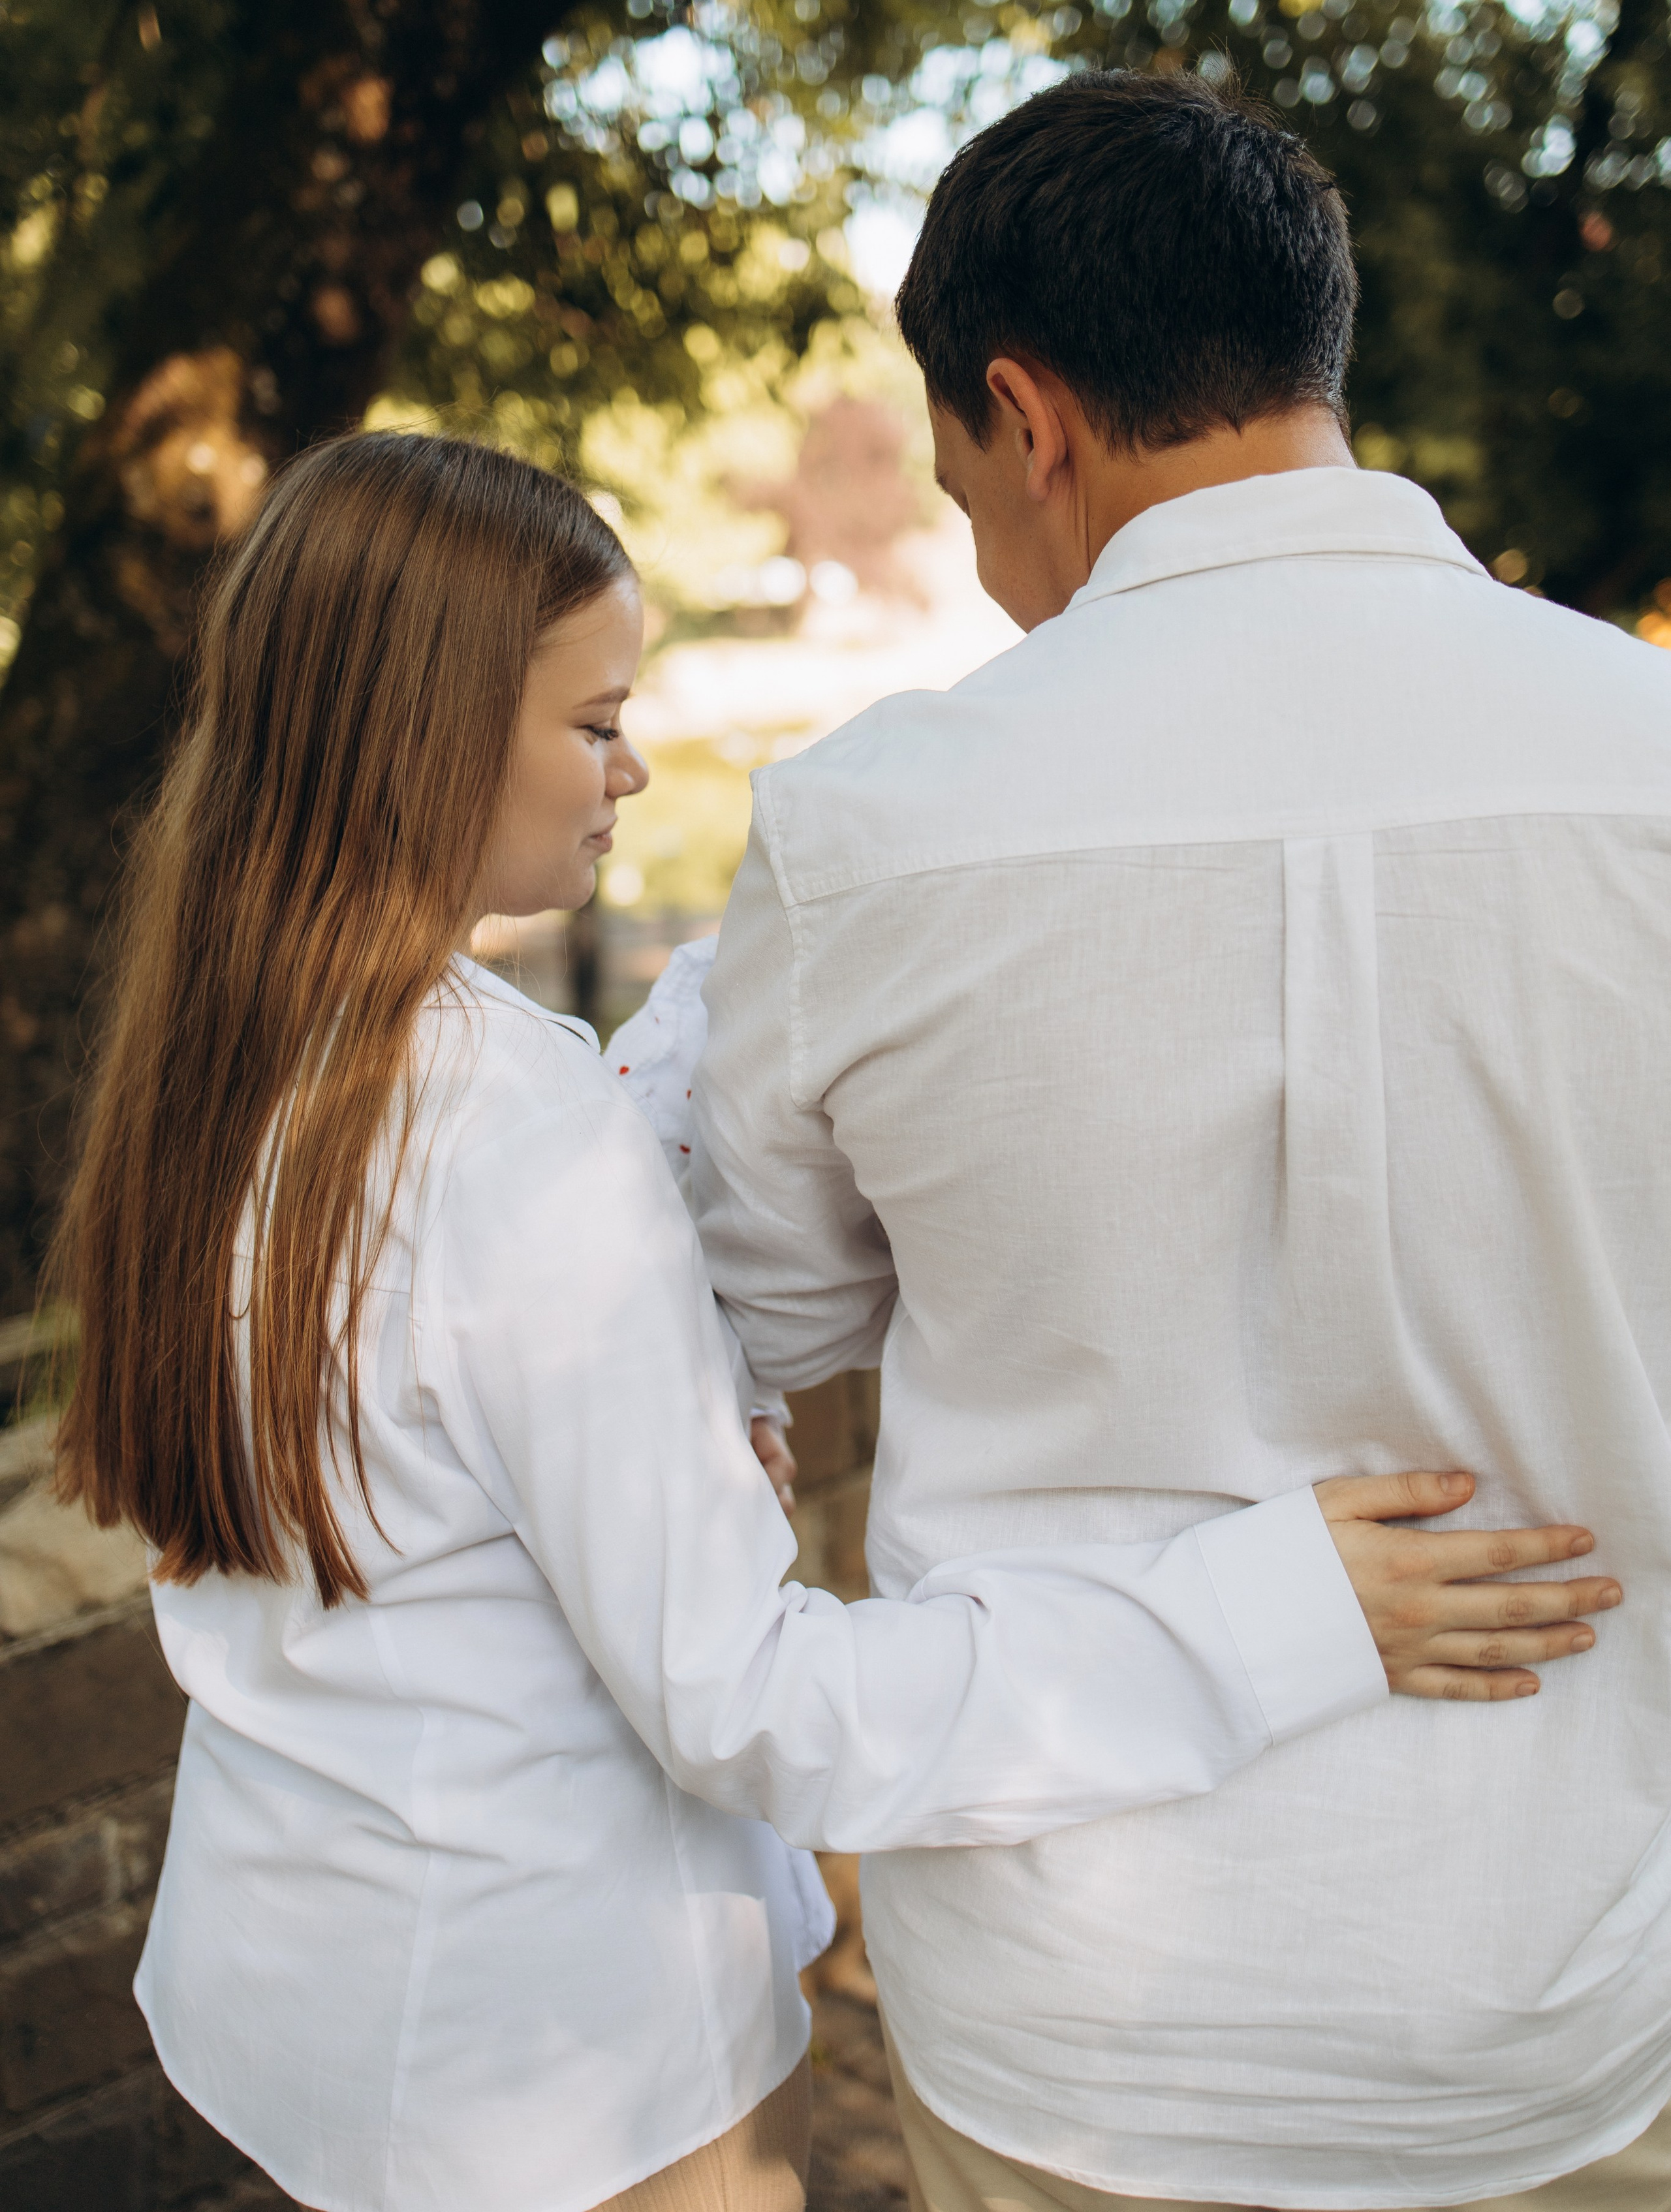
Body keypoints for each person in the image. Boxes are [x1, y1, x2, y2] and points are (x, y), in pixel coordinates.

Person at [45, 433, 1606, 2212]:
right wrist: (1278, 1613)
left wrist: (674, 1404)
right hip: (577, 2098)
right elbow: (761, 1710)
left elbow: (421, 1413)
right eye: (593, 720)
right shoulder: (507, 1137)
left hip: (305, 1998)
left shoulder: (235, 1057)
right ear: (425, 729)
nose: (628, 769)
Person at [690, 68, 1671, 2212]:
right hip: (1575, 1987)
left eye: (960, 494)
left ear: (1024, 418)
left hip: (1084, 2038)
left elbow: (748, 1319)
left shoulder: (869, 828)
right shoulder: (1652, 756)